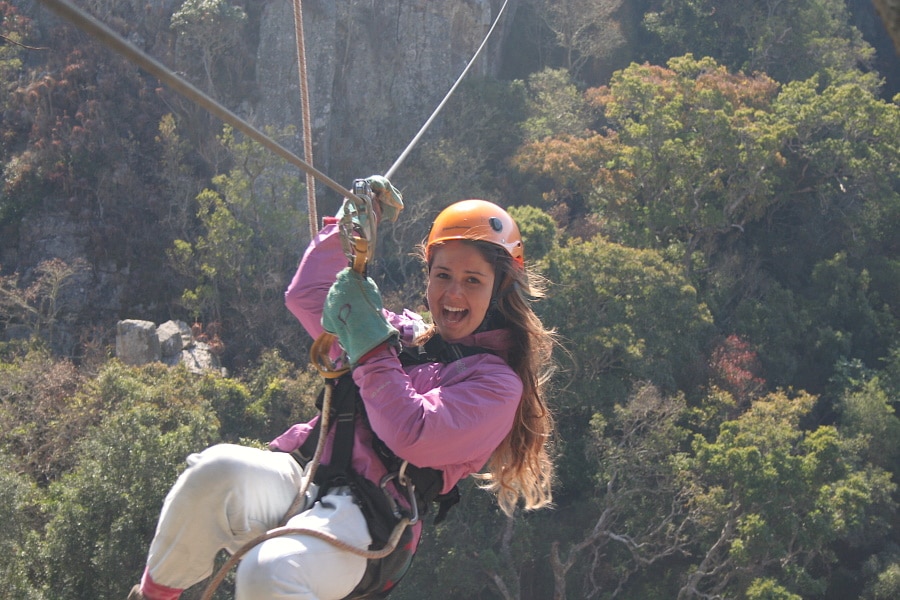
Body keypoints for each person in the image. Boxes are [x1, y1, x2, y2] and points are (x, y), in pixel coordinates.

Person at [127, 177, 556, 600]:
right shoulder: (403, 336)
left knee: (270, 571)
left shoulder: (496, 385)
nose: (453, 292)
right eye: (442, 274)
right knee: (214, 471)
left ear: (500, 290)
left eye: (473, 280)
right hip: (306, 474)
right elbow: (310, 296)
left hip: (371, 519)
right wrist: (346, 232)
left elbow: (414, 432)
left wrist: (369, 345)